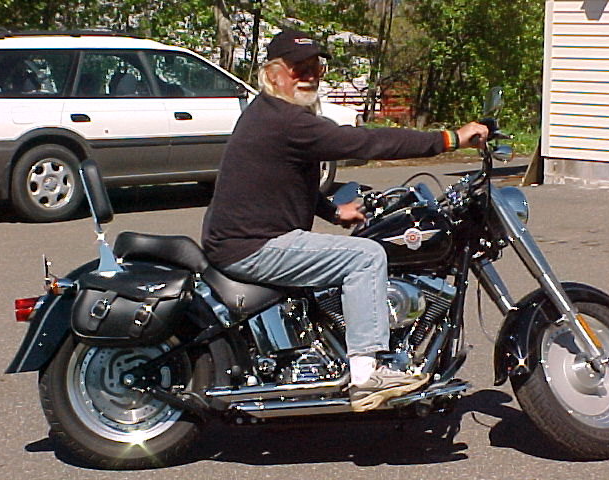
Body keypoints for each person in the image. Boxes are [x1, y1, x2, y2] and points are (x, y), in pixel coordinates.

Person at [201, 29, 488, 412]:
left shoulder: (270, 114)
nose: (309, 75)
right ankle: (366, 376)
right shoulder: (285, 120)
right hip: (252, 247)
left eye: (315, 66)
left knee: (353, 253)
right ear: (273, 74)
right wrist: (449, 139)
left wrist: (333, 211)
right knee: (366, 256)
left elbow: (288, 179)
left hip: (246, 239)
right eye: (298, 67)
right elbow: (365, 142)